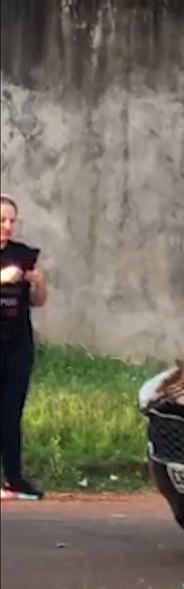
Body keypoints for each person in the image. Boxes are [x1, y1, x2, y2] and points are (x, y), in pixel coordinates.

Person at [1, 192, 48, 500]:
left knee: (11, 411)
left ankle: (14, 476)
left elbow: (38, 301)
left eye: (11, 221)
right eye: (1, 221)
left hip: (18, 343)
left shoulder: (23, 254)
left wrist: (38, 283)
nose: (7, 226)